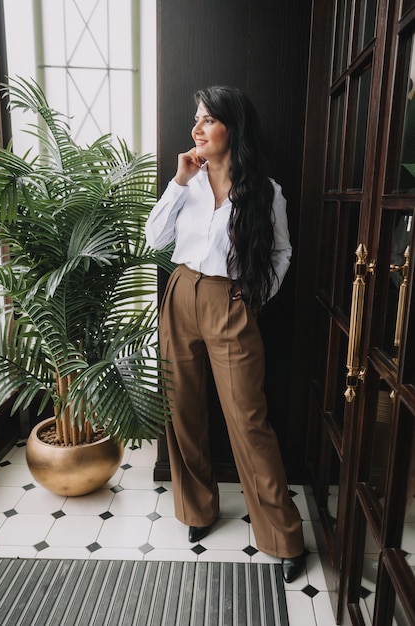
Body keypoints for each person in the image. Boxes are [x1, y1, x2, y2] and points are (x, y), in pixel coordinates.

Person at [145, 85, 305, 583]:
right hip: (180, 294)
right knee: (183, 410)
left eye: (207, 119)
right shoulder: (186, 184)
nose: (196, 128)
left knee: (249, 421)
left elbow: (281, 254)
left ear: (231, 127)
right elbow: (153, 239)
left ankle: (281, 535)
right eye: (196, 119)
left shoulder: (264, 190)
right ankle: (197, 511)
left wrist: (255, 297)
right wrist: (177, 180)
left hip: (230, 302)